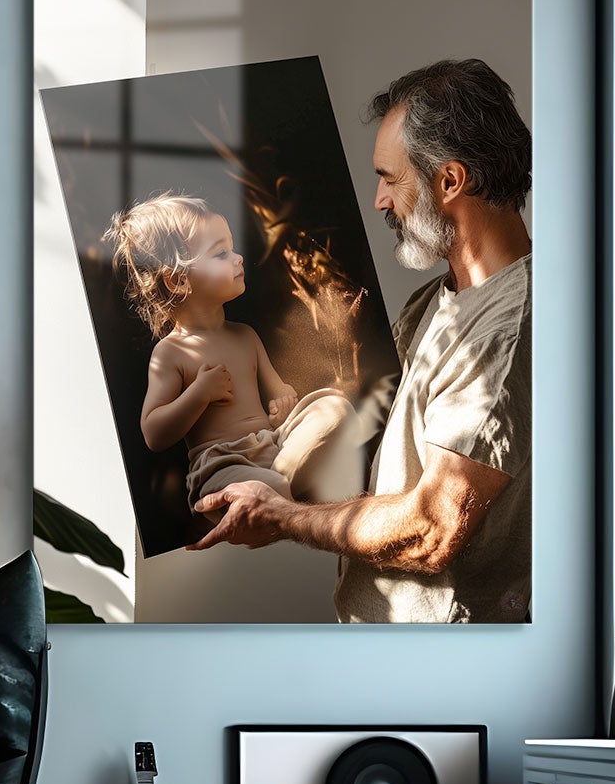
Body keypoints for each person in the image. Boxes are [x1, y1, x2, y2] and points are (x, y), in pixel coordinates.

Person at [189, 58, 533, 624]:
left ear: (450, 181)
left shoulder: (506, 330)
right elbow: (377, 468)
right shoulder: (431, 302)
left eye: (391, 178)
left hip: (439, 678)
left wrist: (282, 519)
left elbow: (431, 529)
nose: (379, 201)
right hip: (382, 651)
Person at [103, 192, 365, 521]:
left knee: (335, 407)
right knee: (265, 487)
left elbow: (280, 391)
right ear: (177, 279)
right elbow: (153, 433)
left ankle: (280, 492)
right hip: (221, 468)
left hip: (272, 447)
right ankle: (278, 495)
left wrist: (283, 401)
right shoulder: (172, 352)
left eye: (232, 247)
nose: (238, 258)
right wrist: (198, 393)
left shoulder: (245, 335)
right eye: (221, 253)